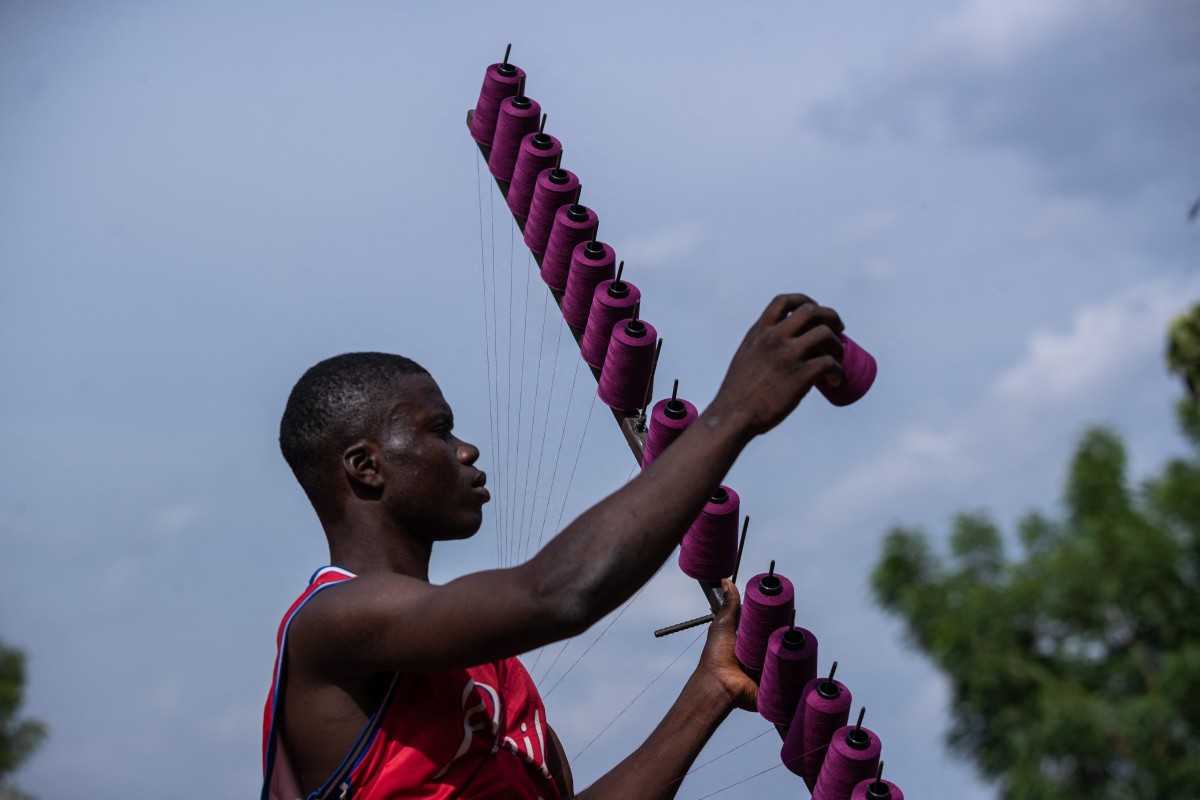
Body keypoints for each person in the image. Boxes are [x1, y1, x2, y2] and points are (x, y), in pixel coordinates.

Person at [262, 294, 846, 800]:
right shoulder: (333, 622)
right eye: (439, 431)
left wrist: (711, 690)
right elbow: (556, 595)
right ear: (366, 466)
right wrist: (734, 412)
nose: (466, 451)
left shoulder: (491, 673)